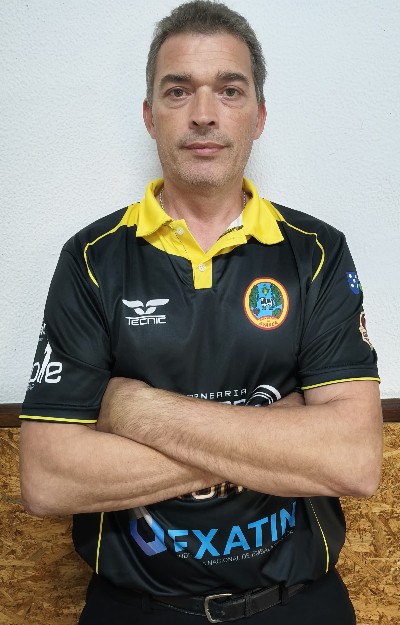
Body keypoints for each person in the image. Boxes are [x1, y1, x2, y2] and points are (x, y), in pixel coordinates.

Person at [19, 2, 382, 624]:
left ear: (259, 116)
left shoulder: (316, 252)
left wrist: (134, 411)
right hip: (135, 608)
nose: (204, 114)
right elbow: (49, 478)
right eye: (178, 90)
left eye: (230, 90)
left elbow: (352, 460)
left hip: (297, 603)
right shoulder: (91, 260)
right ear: (149, 115)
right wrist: (277, 433)